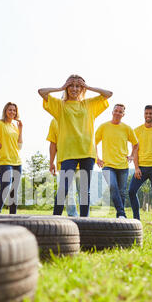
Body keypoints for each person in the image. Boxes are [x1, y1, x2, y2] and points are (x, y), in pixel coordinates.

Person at [38, 75, 112, 217]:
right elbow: (42, 91)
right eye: (71, 86)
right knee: (63, 188)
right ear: (67, 88)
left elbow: (108, 94)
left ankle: (85, 222)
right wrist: (61, 87)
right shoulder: (60, 105)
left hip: (87, 153)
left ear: (82, 88)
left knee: (84, 191)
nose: (74, 89)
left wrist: (88, 87)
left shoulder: (89, 104)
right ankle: (55, 220)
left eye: (78, 86)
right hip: (68, 153)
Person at [95, 104, 138, 218]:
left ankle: (120, 216)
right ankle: (122, 213)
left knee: (122, 192)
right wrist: (96, 158)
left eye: (120, 112)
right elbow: (92, 142)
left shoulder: (127, 128)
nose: (118, 113)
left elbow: (136, 143)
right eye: (116, 111)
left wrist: (132, 156)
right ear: (112, 112)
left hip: (123, 165)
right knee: (113, 186)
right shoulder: (103, 127)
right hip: (108, 165)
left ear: (123, 114)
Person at [46, 118, 80, 216]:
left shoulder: (80, 114)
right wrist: (51, 162)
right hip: (63, 161)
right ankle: (73, 216)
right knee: (68, 192)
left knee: (83, 192)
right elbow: (53, 143)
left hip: (81, 161)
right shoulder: (55, 121)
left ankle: (84, 219)